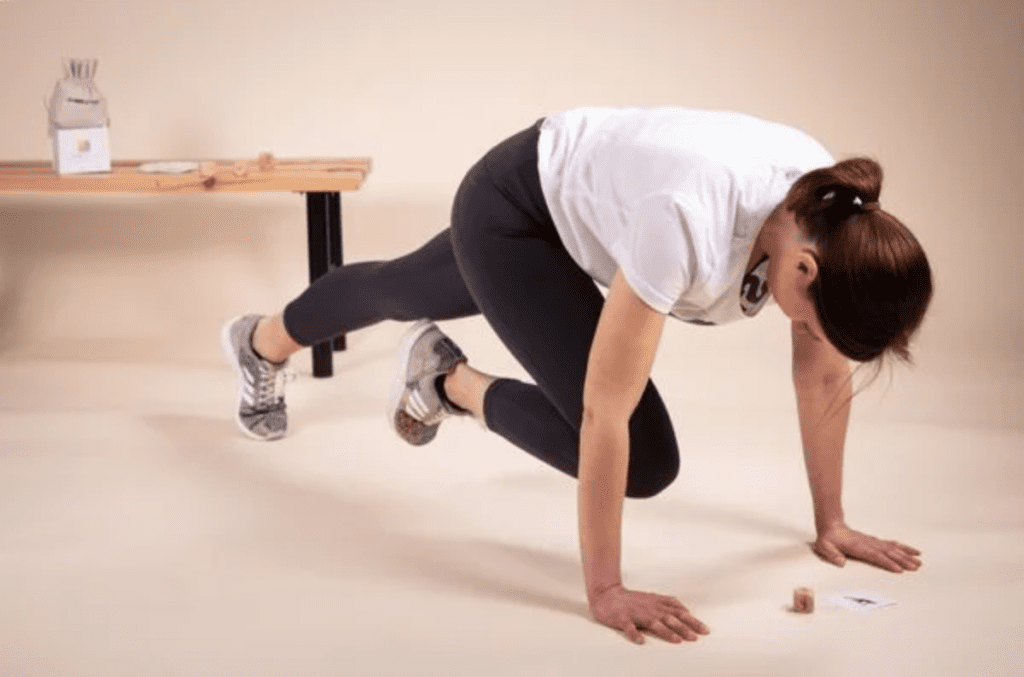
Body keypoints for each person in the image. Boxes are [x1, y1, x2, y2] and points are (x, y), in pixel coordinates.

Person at [221, 107, 933, 645]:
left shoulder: (836, 219)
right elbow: (604, 413)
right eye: (808, 326)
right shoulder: (688, 221)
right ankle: (276, 345)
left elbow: (820, 379)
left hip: (589, 218)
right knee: (643, 457)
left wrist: (831, 520)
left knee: (407, 286)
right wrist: (606, 588)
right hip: (516, 206)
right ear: (803, 268)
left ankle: (431, 379)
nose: (807, 341)